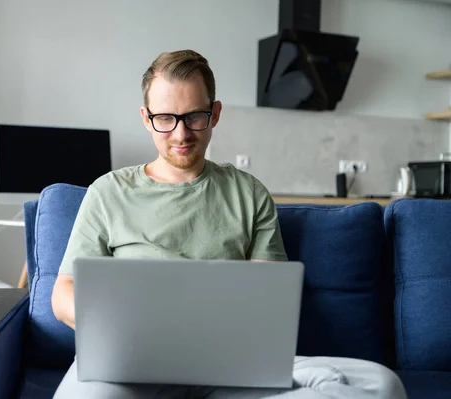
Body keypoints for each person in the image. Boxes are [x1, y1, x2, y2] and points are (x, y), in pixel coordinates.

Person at [51, 50, 407, 399]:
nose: (180, 134)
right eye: (165, 119)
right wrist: (122, 329)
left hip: (231, 370)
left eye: (194, 117)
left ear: (215, 113)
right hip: (129, 366)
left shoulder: (249, 193)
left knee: (381, 384)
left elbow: (268, 305)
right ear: (146, 118)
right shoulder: (108, 192)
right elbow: (63, 293)